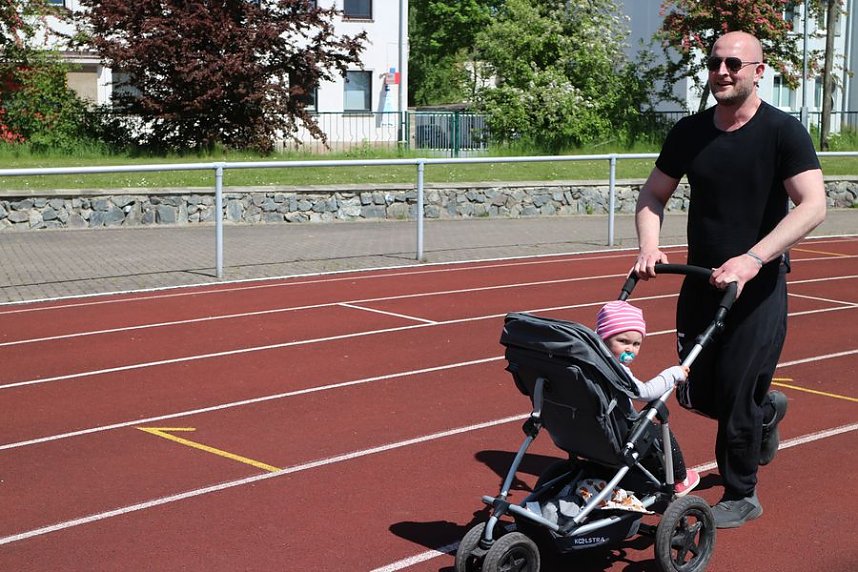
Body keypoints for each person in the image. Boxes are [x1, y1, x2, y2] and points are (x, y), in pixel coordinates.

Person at [633, 31, 827, 528]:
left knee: (738, 392)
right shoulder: (690, 133)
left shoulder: (783, 132)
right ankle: (764, 414)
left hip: (756, 288)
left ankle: (742, 492)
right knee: (700, 393)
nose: (722, 71)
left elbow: (814, 205)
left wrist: (754, 258)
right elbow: (653, 194)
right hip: (700, 281)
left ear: (758, 71)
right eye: (716, 62)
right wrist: (650, 246)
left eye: (735, 64)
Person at [595, 300, 700, 497]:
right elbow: (644, 392)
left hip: (590, 432)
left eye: (636, 344)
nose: (630, 350)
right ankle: (680, 479)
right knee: (658, 431)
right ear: (603, 338)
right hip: (616, 434)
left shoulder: (590, 363)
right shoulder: (616, 370)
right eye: (623, 342)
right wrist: (672, 374)